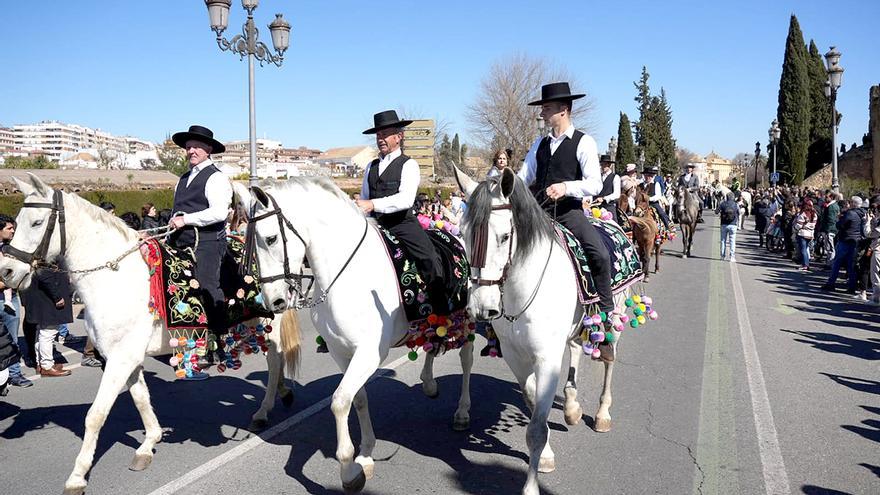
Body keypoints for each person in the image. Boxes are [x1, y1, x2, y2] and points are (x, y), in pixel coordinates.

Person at [517, 82, 617, 344]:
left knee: (600, 254)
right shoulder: (539, 143)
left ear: (564, 109)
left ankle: (605, 315)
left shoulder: (584, 141)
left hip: (568, 213)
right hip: (537, 213)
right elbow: (523, 176)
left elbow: (595, 183)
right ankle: (501, 323)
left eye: (546, 108)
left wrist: (566, 187)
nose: (541, 113)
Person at [357, 111, 446, 311]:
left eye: (385, 134)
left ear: (399, 137)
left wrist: (372, 204)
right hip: (374, 224)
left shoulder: (409, 164)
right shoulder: (370, 166)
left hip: (401, 224)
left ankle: (440, 310)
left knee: (429, 258)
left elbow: (405, 199)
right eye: (378, 135)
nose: (381, 139)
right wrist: (360, 206)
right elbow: (364, 197)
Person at [168, 125, 233, 380]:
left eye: (196, 146)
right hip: (180, 242)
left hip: (207, 242)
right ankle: (184, 345)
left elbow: (218, 212)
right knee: (178, 291)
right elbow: (177, 211)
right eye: (188, 146)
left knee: (206, 287)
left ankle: (218, 337)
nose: (190, 150)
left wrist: (186, 219)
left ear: (208, 150)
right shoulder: (182, 179)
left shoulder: (217, 178)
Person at [20, 266, 74, 377]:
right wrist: (57, 297)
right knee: (48, 332)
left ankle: (41, 363)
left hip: (40, 297)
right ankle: (47, 366)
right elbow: (45, 276)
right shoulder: (45, 257)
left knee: (41, 332)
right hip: (47, 298)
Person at [0, 214, 31, 387]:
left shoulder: (11, 250)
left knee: (11, 339)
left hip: (11, 299)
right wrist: (7, 282)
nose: (13, 231)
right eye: (9, 228)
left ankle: (14, 373)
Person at [821, 197, 865, 293]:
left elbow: (839, 225)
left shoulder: (850, 213)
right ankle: (852, 286)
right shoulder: (862, 214)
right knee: (850, 265)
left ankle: (831, 283)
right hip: (855, 241)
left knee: (837, 263)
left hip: (845, 239)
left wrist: (840, 218)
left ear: (853, 203)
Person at [596, 154, 621, 223]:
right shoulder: (598, 177)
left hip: (609, 207)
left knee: (613, 228)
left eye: (605, 164)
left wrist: (604, 198)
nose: (603, 166)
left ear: (609, 165)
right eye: (602, 164)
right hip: (596, 208)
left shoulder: (615, 177)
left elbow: (616, 194)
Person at [864, 195, 880, 305]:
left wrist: (867, 222)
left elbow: (869, 234)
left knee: (876, 275)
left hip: (878, 249)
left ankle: (876, 298)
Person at [794, 199, 818, 271]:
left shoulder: (803, 214)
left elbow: (798, 225)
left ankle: (805, 265)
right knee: (806, 249)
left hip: (803, 233)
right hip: (810, 233)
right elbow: (814, 225)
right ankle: (806, 264)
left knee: (803, 249)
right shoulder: (814, 214)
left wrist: (796, 228)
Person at [717, 192, 739, 262]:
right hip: (733, 224)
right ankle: (732, 257)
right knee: (732, 241)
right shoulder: (736, 204)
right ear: (733, 197)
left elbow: (716, 211)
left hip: (724, 224)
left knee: (723, 241)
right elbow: (739, 213)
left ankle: (722, 256)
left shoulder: (723, 204)